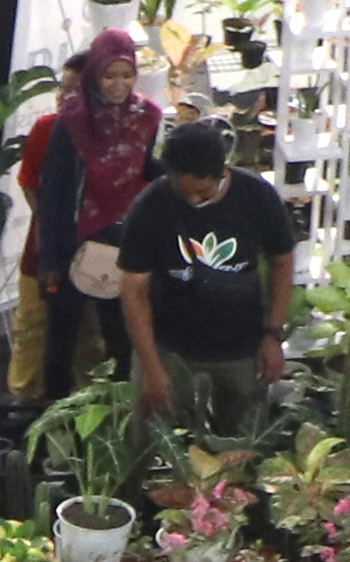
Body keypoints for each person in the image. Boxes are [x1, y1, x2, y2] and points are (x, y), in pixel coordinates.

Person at [116, 122, 294, 432]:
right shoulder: (150, 206)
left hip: (240, 348)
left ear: (223, 171)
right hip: (170, 347)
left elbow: (282, 261)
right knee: (148, 436)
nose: (194, 202)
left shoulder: (258, 197)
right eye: (184, 193)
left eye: (203, 193)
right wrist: (152, 368)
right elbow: (133, 290)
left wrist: (273, 335)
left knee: (240, 444)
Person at [29, 30, 158, 391]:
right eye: (109, 75)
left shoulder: (146, 116)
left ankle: (121, 420)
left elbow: (147, 170)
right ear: (95, 75)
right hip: (73, 242)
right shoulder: (72, 121)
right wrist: (49, 258)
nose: (119, 85)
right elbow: (53, 191)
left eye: (127, 75)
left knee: (122, 338)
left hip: (123, 244)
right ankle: (53, 421)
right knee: (61, 341)